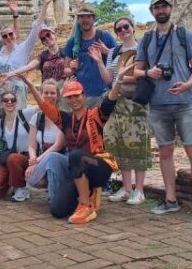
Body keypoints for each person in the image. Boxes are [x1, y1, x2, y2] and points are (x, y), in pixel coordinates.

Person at [134, 0, 192, 223]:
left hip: (185, 102)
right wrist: (148, 73)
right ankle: (170, 199)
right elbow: (136, 70)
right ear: (151, 11)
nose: (160, 10)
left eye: (164, 6)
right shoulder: (146, 39)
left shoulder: (185, 35)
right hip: (158, 104)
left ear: (171, 8)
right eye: (156, 7)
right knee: (165, 152)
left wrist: (187, 83)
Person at [24, 68, 131, 224]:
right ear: (66, 99)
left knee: (76, 155)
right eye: (69, 97)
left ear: (84, 96)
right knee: (57, 210)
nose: (73, 100)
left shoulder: (96, 115)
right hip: (77, 169)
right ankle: (86, 193)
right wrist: (30, 85)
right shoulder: (66, 119)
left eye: (76, 95)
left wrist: (119, 79)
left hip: (98, 165)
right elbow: (45, 106)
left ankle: (86, 205)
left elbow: (110, 101)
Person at [90, 17, 151, 205]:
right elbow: (109, 79)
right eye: (119, 29)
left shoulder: (143, 49)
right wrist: (99, 62)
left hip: (136, 100)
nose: (123, 30)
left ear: (133, 28)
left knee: (138, 145)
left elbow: (143, 75)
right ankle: (126, 188)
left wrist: (123, 79)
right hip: (117, 100)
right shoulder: (114, 51)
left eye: (126, 27)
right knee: (120, 144)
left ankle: (139, 190)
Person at [0, 0, 54, 108]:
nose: (8, 37)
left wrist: (45, 5)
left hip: (17, 94)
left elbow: (36, 27)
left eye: (11, 34)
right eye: (5, 36)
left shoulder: (23, 49)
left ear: (15, 35)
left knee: (18, 122)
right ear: (2, 39)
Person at [0, 20, 69, 107]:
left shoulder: (66, 52)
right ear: (43, 42)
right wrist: (9, 74)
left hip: (63, 89)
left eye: (48, 35)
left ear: (54, 35)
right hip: (47, 91)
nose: (47, 38)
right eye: (43, 38)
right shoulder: (43, 56)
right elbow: (29, 66)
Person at [63, 5, 116, 108]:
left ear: (94, 18)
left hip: (102, 94)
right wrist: (72, 69)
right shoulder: (73, 42)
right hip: (80, 96)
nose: (85, 20)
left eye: (88, 17)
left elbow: (120, 58)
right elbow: (66, 70)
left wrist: (107, 51)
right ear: (78, 19)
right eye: (82, 17)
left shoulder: (104, 37)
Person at [24, 79, 66, 192]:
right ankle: (55, 186)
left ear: (58, 96)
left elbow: (57, 146)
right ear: (41, 94)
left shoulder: (63, 116)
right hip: (42, 157)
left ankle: (55, 197)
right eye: (46, 93)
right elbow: (31, 145)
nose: (49, 96)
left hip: (59, 157)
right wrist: (32, 159)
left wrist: (37, 161)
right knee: (31, 179)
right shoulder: (37, 118)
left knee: (51, 159)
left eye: (52, 93)